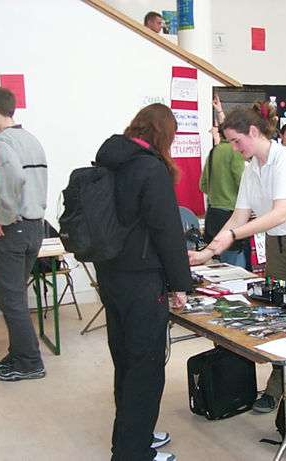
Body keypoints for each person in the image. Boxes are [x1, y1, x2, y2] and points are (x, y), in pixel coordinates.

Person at [188, 101, 286, 413]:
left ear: (254, 132)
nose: (234, 147)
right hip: (278, 245)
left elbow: (280, 213)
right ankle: (278, 386)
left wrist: (232, 236)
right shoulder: (251, 170)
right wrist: (208, 252)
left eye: (236, 140)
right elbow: (238, 216)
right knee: (279, 315)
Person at [94, 103, 192, 461]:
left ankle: (135, 436)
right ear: (163, 134)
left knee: (126, 360)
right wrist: (180, 284)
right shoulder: (151, 169)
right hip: (143, 281)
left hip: (110, 276)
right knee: (146, 366)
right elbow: (167, 232)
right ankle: (133, 452)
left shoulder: (109, 161)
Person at [0, 87, 48, 382]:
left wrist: (2, 216)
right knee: (16, 297)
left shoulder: (1, 141)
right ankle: (18, 353)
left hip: (14, 228)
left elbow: (15, 177)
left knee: (11, 301)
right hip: (35, 227)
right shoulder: (31, 139)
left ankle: (30, 361)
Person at [200, 124, 247, 268]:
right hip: (232, 214)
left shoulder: (213, 152)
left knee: (219, 264)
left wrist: (218, 191)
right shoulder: (235, 152)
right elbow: (242, 183)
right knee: (235, 264)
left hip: (213, 214)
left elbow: (202, 185)